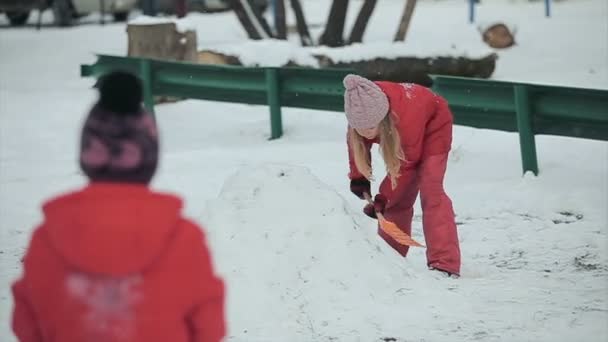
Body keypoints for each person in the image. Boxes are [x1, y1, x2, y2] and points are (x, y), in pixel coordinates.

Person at [11, 71, 226, 341]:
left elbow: (26, 325)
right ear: (148, 158)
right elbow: (209, 328)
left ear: (89, 155)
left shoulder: (47, 239)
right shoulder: (184, 239)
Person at [343, 74, 461, 277]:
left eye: (371, 127)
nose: (367, 133)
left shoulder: (404, 118)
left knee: (431, 190)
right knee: (396, 202)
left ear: (382, 118)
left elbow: (406, 166)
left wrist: (382, 199)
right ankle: (390, 258)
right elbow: (356, 149)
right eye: (360, 129)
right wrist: (359, 179)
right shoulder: (359, 112)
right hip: (403, 133)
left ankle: (444, 263)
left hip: (434, 123)